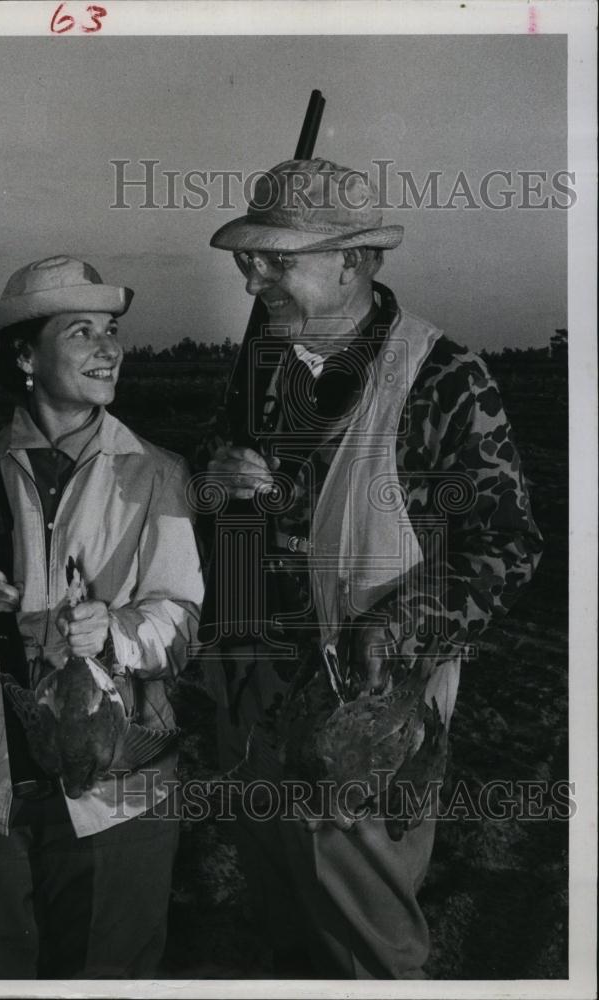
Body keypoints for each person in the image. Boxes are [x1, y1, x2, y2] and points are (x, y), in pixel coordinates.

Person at [200, 159, 543, 978]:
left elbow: (507, 541)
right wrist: (215, 482)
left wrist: (402, 621)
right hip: (253, 697)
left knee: (368, 949)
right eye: (249, 260)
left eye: (276, 260)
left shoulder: (443, 379)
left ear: (352, 261)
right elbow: (230, 511)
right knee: (285, 923)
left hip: (367, 713)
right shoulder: (262, 371)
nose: (253, 280)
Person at [0, 255, 204, 979]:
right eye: (82, 331)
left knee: (107, 970)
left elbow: (180, 618)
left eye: (113, 330)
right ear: (25, 356)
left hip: (119, 791)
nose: (108, 347)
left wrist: (116, 634)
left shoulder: (159, 474)